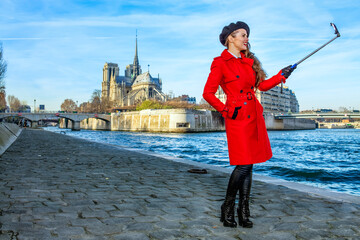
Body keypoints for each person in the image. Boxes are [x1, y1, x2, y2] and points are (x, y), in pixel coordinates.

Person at [202, 21, 295, 228]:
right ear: (230, 39)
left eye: (247, 35)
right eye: (242, 35)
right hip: (237, 117)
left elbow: (260, 86)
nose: (246, 39)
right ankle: (227, 207)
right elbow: (208, 93)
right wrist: (227, 110)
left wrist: (281, 75)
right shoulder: (220, 62)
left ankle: (243, 211)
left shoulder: (249, 62)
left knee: (249, 165)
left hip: (254, 115)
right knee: (243, 164)